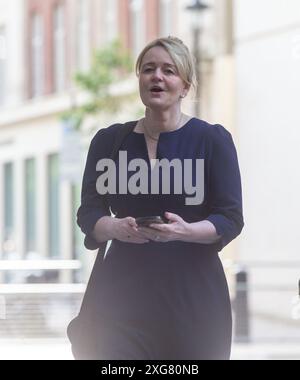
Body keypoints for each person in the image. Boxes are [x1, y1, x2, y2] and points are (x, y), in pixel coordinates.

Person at [68, 36, 244, 360]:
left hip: (193, 300)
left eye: (168, 70)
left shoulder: (212, 140)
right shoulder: (108, 142)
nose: (157, 77)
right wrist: (114, 227)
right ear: (139, 80)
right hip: (119, 299)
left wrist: (185, 231)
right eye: (148, 69)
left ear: (185, 85)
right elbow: (89, 212)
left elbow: (230, 217)